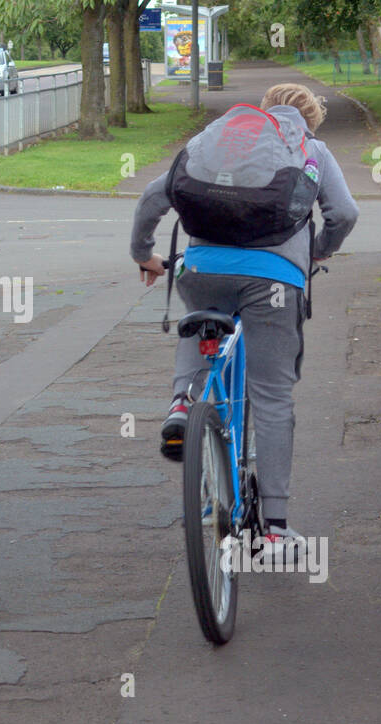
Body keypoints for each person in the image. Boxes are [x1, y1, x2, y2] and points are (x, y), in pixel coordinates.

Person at [130, 83, 358, 555]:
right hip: (273, 280)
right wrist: (313, 253)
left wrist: (145, 255)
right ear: (310, 121)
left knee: (201, 322)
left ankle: (181, 404)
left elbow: (155, 198)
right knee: (272, 396)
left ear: (262, 111)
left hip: (202, 268)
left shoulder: (218, 140)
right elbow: (344, 214)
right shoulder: (310, 150)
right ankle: (274, 528)